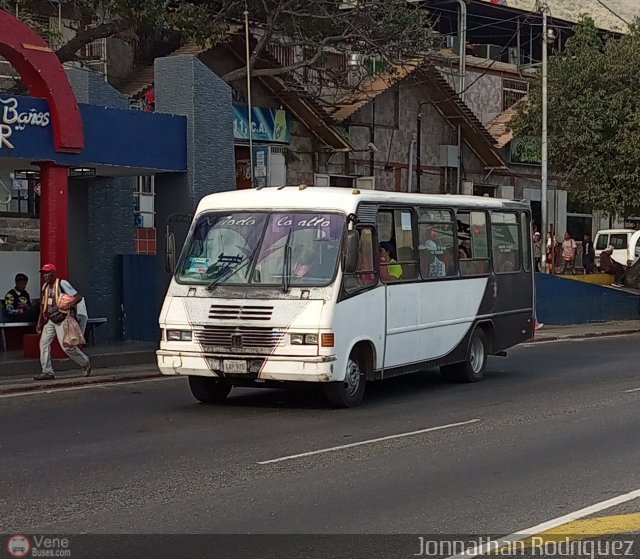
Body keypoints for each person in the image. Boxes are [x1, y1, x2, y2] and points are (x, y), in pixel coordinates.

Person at [35, 264, 91, 381]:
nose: (45, 275)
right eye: (44, 273)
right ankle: (47, 371)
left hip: (62, 318)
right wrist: (40, 321)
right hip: (50, 319)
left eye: (48, 273)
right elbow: (43, 305)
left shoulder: (62, 284)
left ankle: (84, 362)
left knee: (67, 347)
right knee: (44, 344)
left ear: (54, 273)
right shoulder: (45, 287)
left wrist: (67, 305)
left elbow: (78, 297)